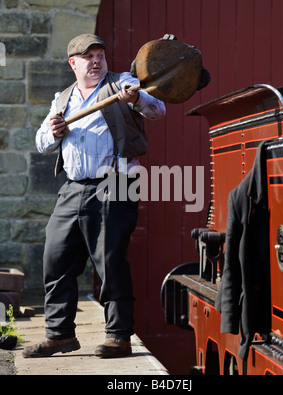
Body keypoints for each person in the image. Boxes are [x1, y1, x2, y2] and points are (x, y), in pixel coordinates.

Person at [22, 33, 166, 359]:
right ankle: (59, 335)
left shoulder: (122, 84)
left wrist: (135, 100)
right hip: (73, 187)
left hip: (116, 183)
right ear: (73, 63)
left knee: (110, 261)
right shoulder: (62, 100)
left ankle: (119, 336)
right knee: (56, 259)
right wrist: (53, 131)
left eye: (100, 54)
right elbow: (42, 141)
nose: (96, 61)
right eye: (88, 57)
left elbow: (158, 109)